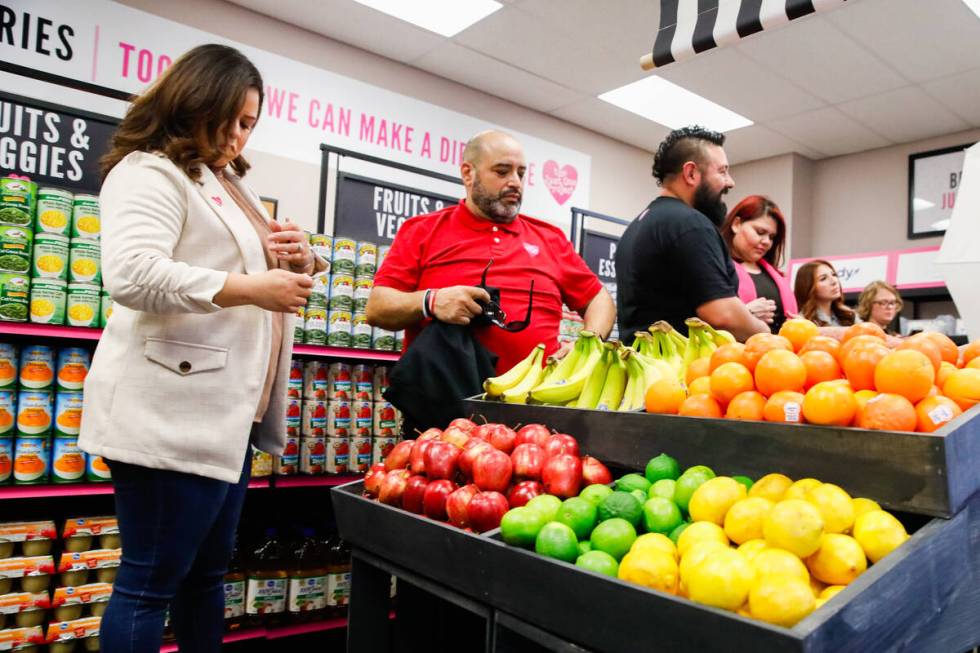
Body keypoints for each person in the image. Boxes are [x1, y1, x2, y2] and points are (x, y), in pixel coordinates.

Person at [79, 44, 324, 653]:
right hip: (169, 414)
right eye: (233, 120)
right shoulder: (148, 171)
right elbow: (133, 274)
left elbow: (230, 264)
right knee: (150, 582)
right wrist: (252, 287)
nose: (240, 138)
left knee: (206, 577)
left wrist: (295, 258)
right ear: (196, 102)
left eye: (250, 125)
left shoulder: (218, 181)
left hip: (222, 416)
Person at [366, 130, 616, 374]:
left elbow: (598, 299)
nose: (515, 182)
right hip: (444, 404)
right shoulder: (422, 230)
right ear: (468, 173)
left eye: (520, 173)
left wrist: (588, 344)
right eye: (502, 171)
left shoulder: (550, 239)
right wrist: (431, 301)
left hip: (536, 401)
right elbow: (378, 308)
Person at [615, 126, 770, 341]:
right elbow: (723, 315)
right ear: (691, 173)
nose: (730, 182)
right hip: (680, 369)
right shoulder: (691, 224)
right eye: (722, 171)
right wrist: (765, 332)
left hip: (643, 364)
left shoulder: (638, 225)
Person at [720, 195, 798, 333]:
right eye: (760, 232)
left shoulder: (775, 274)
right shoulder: (716, 267)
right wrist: (745, 314)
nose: (766, 241)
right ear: (736, 224)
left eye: (772, 237)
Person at [793, 259, 856, 327]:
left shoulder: (849, 315)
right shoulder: (802, 322)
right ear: (808, 287)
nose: (834, 281)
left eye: (834, 274)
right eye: (823, 278)